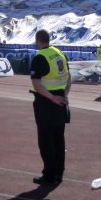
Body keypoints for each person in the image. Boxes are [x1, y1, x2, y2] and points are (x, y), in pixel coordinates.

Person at [29, 29, 70, 186]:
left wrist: (52, 98)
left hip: (47, 103)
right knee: (59, 140)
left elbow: (37, 84)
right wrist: (65, 94)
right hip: (60, 101)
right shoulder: (60, 53)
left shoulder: (40, 57)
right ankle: (59, 173)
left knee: (45, 141)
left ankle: (49, 175)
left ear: (38, 41)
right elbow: (69, 77)